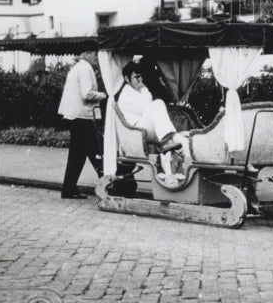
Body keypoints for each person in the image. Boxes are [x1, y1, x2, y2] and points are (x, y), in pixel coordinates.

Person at [116, 62, 191, 189]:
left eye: (141, 77)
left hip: (148, 129)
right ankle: (167, 140)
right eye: (136, 77)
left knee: (183, 140)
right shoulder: (126, 95)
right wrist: (144, 89)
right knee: (158, 103)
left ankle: (186, 178)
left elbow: (150, 112)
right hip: (138, 132)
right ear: (127, 79)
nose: (140, 80)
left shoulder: (138, 92)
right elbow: (148, 108)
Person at [57, 50, 107, 198]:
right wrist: (104, 95)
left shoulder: (77, 68)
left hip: (75, 116)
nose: (96, 58)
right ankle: (109, 184)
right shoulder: (85, 68)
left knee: (83, 153)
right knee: (95, 150)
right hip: (82, 117)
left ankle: (69, 189)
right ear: (87, 54)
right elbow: (87, 93)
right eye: (94, 55)